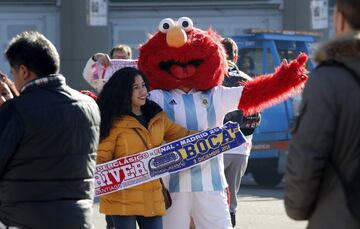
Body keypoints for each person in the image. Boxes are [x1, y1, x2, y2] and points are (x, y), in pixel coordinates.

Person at [0, 31, 100, 229]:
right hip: (79, 218)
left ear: (24, 71)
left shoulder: (18, 109)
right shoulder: (89, 105)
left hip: (24, 219)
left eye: (13, 73)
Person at [284, 0, 360, 228]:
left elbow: (307, 155)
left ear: (340, 18)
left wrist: (297, 208)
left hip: (340, 214)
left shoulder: (328, 80)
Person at [96, 67, 195, 229]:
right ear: (123, 91)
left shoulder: (156, 116)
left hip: (152, 196)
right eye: (136, 88)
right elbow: (100, 160)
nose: (143, 91)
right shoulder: (112, 123)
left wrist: (219, 136)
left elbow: (184, 135)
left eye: (143, 85)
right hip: (121, 200)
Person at [221, 37, 261, 227]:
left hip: (215, 146)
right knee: (231, 200)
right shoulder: (247, 79)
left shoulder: (211, 79)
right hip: (241, 146)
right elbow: (256, 116)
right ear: (235, 56)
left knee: (213, 195)